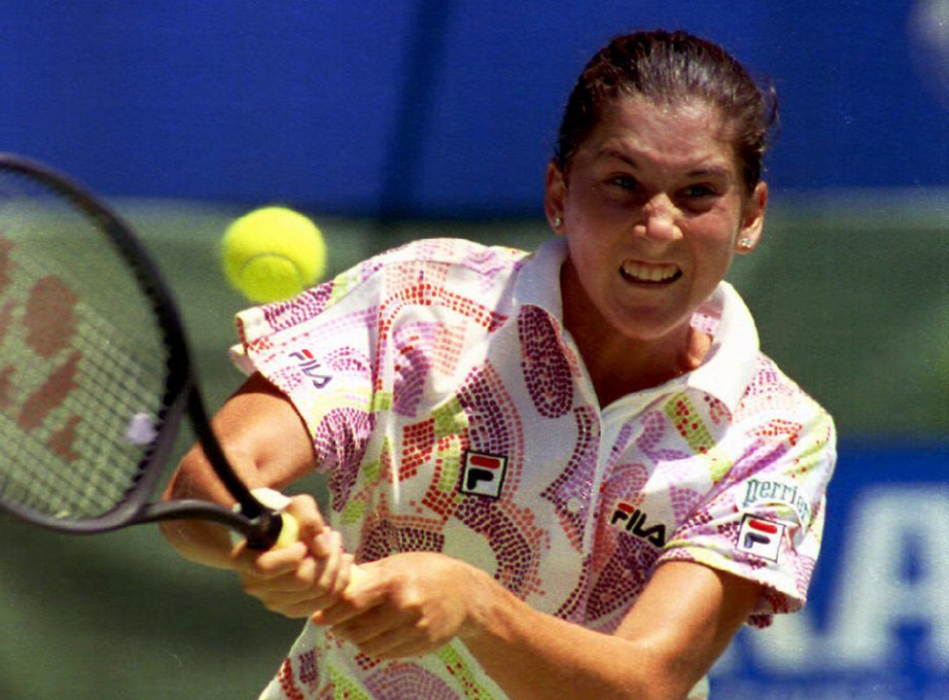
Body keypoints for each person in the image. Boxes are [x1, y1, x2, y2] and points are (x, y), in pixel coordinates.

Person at [160, 29, 836, 700]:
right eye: (622, 183)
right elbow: (204, 490)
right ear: (557, 195)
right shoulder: (419, 302)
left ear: (751, 216)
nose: (658, 225)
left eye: (698, 193)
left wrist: (477, 606)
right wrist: (265, 531)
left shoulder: (778, 435)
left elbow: (648, 682)